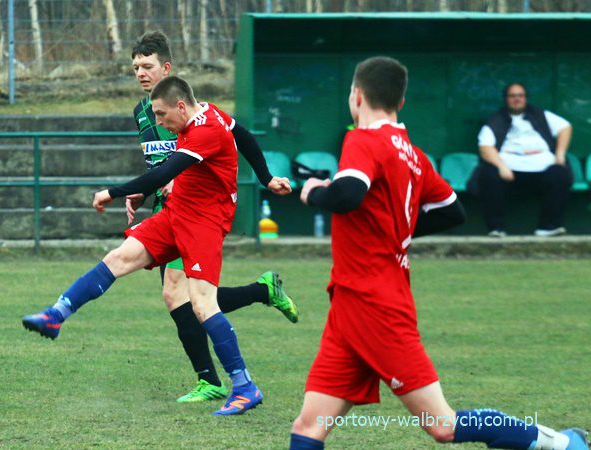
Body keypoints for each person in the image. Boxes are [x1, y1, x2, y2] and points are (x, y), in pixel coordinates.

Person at [289, 57, 588, 450]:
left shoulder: (363, 140)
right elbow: (452, 211)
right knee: (310, 424)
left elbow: (346, 195)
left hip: (374, 303)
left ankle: (563, 444)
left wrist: (314, 192)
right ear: (401, 101)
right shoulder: (413, 155)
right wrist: (393, 230)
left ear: (357, 96)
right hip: (351, 301)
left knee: (442, 425)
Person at [23, 76, 269, 416]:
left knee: (201, 304)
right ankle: (55, 316)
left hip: (204, 224)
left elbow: (161, 174)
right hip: (177, 213)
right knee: (118, 258)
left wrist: (112, 192)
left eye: (162, 114)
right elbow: (245, 137)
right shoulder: (205, 112)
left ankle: (244, 386)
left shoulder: (207, 130)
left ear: (180, 106)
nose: (159, 122)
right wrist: (268, 178)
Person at [125, 30, 297, 404]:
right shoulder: (141, 113)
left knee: (179, 295)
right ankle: (262, 292)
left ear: (166, 68)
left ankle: (212, 380)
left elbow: (240, 137)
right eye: (135, 67)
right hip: (166, 210)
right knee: (185, 297)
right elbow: (160, 164)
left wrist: (266, 178)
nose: (140, 73)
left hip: (196, 211)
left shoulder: (195, 109)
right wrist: (143, 191)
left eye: (147, 66)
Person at [476, 82, 573, 237]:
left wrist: (560, 153)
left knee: (560, 174)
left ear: (526, 98)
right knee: (488, 174)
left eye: (520, 95)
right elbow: (485, 147)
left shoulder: (540, 115)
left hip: (542, 170)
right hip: (508, 172)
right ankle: (496, 229)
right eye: (512, 96)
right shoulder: (496, 120)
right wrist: (501, 166)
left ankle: (548, 227)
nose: (517, 99)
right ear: (506, 99)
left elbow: (565, 127)